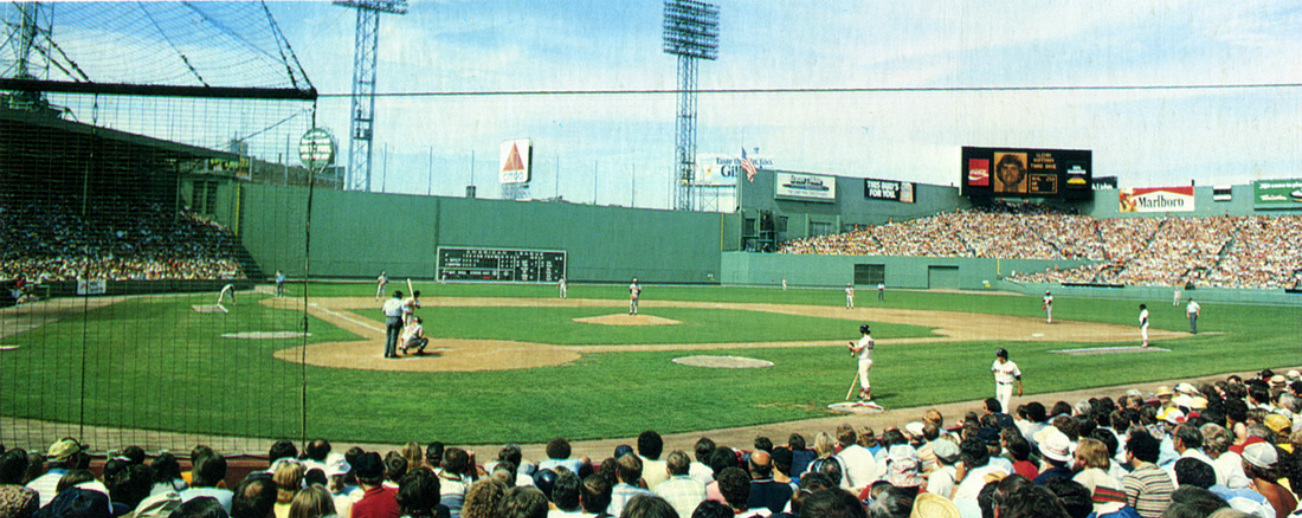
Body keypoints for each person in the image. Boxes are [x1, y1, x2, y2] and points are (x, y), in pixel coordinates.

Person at [847, 324, 875, 403]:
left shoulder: (864, 340)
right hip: (869, 360)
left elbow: (858, 350)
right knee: (863, 376)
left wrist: (851, 348)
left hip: (863, 361)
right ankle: (862, 394)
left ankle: (867, 395)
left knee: (864, 378)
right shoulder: (871, 340)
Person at [992, 348, 1023, 413]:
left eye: (999, 356)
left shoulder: (1012, 365)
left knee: (1004, 405)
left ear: (1003, 356)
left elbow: (1018, 377)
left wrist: (1020, 389)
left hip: (1007, 386)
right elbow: (993, 370)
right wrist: (997, 379)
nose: (997, 357)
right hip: (999, 385)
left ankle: (1004, 419)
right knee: (998, 404)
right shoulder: (996, 363)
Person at [382, 291, 406, 359]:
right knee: (394, 337)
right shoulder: (401, 302)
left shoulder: (387, 301)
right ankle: (392, 353)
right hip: (396, 319)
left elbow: (383, 311)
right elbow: (406, 310)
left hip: (388, 319)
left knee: (388, 336)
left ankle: (386, 353)